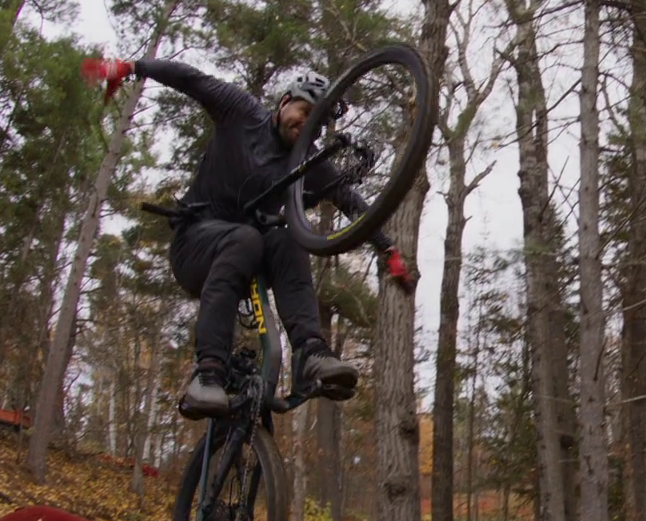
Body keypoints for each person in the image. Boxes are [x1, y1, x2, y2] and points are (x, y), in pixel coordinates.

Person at [82, 56, 410, 418]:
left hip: (246, 254)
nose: (307, 126)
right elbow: (190, 78)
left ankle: (311, 353)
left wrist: (388, 250)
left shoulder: (305, 159)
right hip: (195, 246)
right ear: (284, 102)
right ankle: (208, 373)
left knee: (286, 239)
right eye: (304, 112)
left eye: (317, 125)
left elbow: (349, 201)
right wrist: (131, 67)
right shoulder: (240, 111)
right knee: (247, 238)